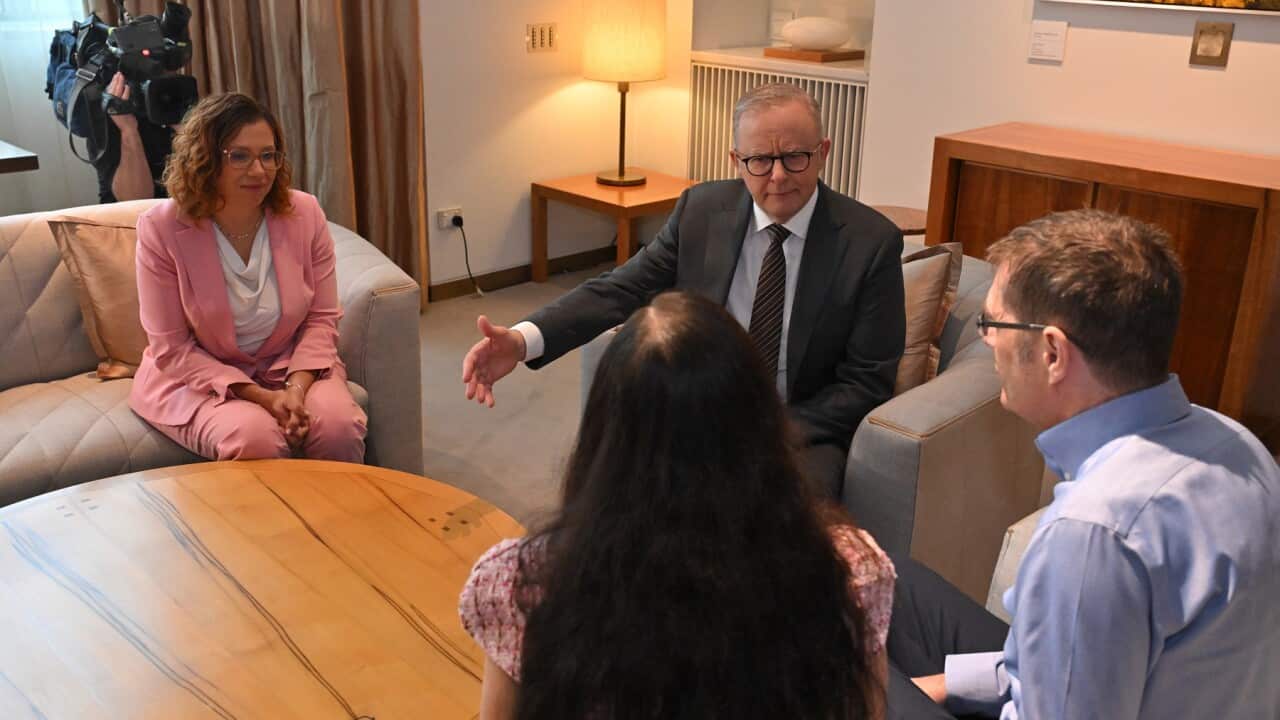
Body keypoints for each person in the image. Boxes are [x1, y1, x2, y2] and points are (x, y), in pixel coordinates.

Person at [886, 209, 1280, 719]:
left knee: (844, 685)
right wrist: (946, 685)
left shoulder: (1094, 532)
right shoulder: (1238, 443)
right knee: (891, 578)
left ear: (1052, 352)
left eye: (993, 324)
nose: (987, 341)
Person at [459, 291, 896, 720]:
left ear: (602, 434)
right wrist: (522, 340)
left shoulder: (519, 586)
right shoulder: (854, 570)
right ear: (761, 425)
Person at [462, 82, 905, 498]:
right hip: (696, 409)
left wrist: (773, 430)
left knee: (780, 522)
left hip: (801, 428)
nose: (777, 177)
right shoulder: (702, 210)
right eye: (759, 161)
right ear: (736, 159)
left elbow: (866, 382)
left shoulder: (869, 243)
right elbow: (619, 290)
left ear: (823, 152)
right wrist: (522, 341)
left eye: (795, 157)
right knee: (609, 486)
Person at [129, 92, 367, 462]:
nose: (259, 170)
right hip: (200, 378)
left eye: (268, 155)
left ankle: (333, 520)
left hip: (289, 364)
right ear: (203, 160)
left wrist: (295, 389)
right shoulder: (161, 228)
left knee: (338, 428)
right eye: (239, 156)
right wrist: (262, 398)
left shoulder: (304, 213)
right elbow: (171, 349)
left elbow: (321, 319)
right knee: (255, 440)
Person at [89, 72, 178, 202]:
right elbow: (136, 199)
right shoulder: (107, 112)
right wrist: (129, 130)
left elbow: (209, 185)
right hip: (133, 214)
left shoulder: (176, 94)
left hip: (184, 208)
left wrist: (185, 132)